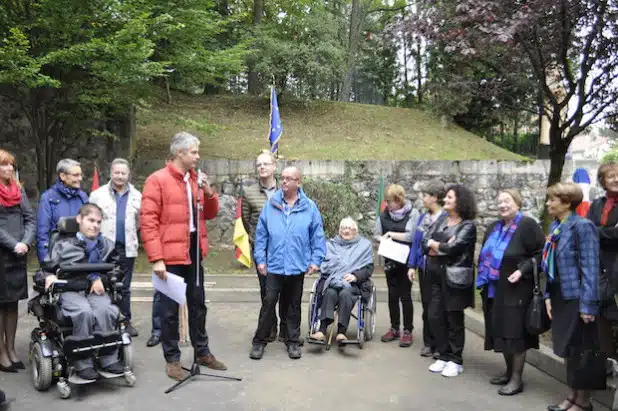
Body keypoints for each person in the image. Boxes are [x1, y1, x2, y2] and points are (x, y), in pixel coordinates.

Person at [140, 131, 226, 381]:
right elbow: (148, 221)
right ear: (179, 153)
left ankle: (202, 352)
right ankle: (173, 359)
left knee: (198, 305)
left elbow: (210, 214)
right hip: (169, 254)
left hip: (193, 250)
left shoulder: (196, 180)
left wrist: (209, 192)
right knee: (168, 310)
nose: (198, 156)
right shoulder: (157, 180)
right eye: (194, 152)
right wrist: (156, 257)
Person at [249, 166, 326, 360]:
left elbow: (317, 236)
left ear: (298, 182)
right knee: (268, 303)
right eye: (282, 178)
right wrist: (260, 259)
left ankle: (292, 341)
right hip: (274, 265)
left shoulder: (309, 207)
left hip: (297, 265)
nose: (284, 181)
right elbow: (261, 235)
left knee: (293, 305)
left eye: (289, 178)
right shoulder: (271, 204)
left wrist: (316, 260)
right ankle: (259, 341)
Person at [43, 204, 125, 381]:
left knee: (107, 310)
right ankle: (82, 362)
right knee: (84, 312)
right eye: (90, 220)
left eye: (98, 222)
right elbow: (47, 268)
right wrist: (48, 277)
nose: (94, 225)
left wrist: (100, 280)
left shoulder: (106, 246)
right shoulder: (63, 244)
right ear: (79, 220)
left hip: (95, 291)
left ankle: (108, 358)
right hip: (71, 291)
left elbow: (117, 271)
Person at [476, 189, 545, 395]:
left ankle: (516, 379)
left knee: (515, 334)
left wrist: (522, 270)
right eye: (499, 202)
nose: (502, 205)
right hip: (494, 289)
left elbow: (542, 254)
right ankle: (508, 372)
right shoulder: (494, 227)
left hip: (517, 290)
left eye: (507, 201)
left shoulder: (528, 226)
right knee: (501, 331)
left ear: (517, 202)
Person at [544, 183, 600, 411]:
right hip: (560, 297)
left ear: (567, 203)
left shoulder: (582, 226)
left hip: (577, 298)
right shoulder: (557, 227)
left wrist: (588, 305)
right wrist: (548, 295)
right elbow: (549, 265)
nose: (548, 203)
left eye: (552, 200)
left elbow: (591, 268)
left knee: (581, 350)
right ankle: (572, 396)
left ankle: (584, 402)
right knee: (568, 350)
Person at [423, 184, 477, 378]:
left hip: (455, 279)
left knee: (454, 319)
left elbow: (455, 248)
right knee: (435, 316)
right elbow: (424, 240)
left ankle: (456, 359)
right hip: (436, 276)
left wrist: (437, 245)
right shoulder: (442, 220)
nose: (445, 200)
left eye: (449, 198)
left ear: (460, 201)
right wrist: (442, 244)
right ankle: (444, 355)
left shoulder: (468, 226)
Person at [89, 158, 141, 337]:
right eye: (116, 172)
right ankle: (105, 321)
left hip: (127, 247)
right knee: (104, 284)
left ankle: (125, 321)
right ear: (111, 173)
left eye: (123, 173)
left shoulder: (137, 196)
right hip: (104, 248)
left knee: (124, 286)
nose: (120, 176)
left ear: (129, 175)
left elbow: (140, 222)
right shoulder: (98, 194)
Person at [241, 151, 288, 343]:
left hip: (284, 249)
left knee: (286, 290)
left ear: (274, 167)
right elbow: (246, 220)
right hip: (262, 251)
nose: (262, 167)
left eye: (266, 164)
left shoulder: (285, 190)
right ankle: (270, 326)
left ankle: (286, 328)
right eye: (259, 164)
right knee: (267, 293)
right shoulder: (249, 192)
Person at [310, 217, 374, 343]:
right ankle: (322, 330)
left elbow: (368, 269)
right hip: (333, 281)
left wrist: (355, 276)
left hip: (352, 284)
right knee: (329, 293)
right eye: (343, 228)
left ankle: (341, 332)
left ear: (355, 231)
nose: (346, 231)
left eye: (349, 228)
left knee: (346, 294)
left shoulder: (364, 246)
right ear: (339, 231)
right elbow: (325, 264)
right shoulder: (330, 245)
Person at [0, 150, 35, 373]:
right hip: (2, 253)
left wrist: (25, 242)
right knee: (0, 306)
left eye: (11, 165)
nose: (9, 169)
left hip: (18, 254)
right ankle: (1, 353)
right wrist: (14, 244)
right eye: (4, 165)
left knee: (13, 304)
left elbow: (29, 218)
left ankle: (11, 350)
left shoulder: (18, 189)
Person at [374, 184, 420, 347]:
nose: (388, 204)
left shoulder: (413, 214)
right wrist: (382, 239)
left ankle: (407, 330)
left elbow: (412, 236)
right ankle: (394, 328)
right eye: (386, 201)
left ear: (399, 200)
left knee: (405, 295)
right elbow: (376, 234)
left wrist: (391, 234)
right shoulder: (383, 215)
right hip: (391, 260)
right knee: (392, 295)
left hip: (407, 261)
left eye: (391, 201)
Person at [407, 179, 446, 358]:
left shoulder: (446, 218)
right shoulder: (424, 217)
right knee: (426, 306)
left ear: (435, 197)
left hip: (440, 268)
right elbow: (416, 242)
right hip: (424, 268)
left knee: (439, 308)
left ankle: (440, 344)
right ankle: (428, 343)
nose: (422, 198)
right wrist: (412, 265)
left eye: (425, 195)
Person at [587, 162, 618, 363]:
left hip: (616, 267)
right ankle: (608, 362)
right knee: (602, 319)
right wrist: (609, 232)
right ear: (602, 181)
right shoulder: (597, 204)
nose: (616, 179)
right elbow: (586, 231)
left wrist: (598, 232)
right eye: (611, 176)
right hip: (599, 268)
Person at [36, 158, 88, 264]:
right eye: (76, 175)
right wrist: (45, 263)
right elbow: (42, 233)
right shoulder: (48, 198)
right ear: (63, 176)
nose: (80, 178)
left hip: (80, 257)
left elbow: (88, 229)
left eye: (80, 175)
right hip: (57, 257)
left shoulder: (83, 197)